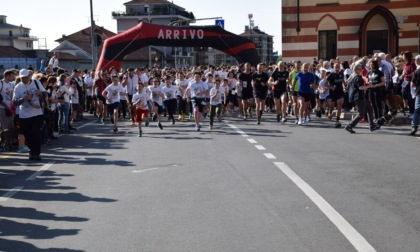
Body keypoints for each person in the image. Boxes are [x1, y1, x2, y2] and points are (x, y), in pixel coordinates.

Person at [12, 69, 46, 160]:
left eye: (26, 77)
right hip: (24, 115)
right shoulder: (18, 87)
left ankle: (36, 153)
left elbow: (45, 94)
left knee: (36, 133)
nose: (24, 79)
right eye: (22, 78)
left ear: (29, 76)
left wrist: (40, 93)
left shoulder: (36, 82)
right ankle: (32, 152)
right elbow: (14, 102)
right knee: (28, 135)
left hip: (37, 113)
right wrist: (23, 99)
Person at [345, 65, 381, 133]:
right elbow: (360, 87)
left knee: (370, 109)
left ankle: (372, 125)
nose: (361, 70)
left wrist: (366, 84)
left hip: (358, 96)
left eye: (361, 69)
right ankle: (350, 126)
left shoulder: (351, 77)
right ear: (355, 70)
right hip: (359, 96)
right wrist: (369, 86)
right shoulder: (358, 77)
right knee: (361, 114)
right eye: (359, 69)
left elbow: (350, 86)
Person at [326, 63, 345, 128]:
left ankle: (337, 121)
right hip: (333, 93)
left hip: (340, 92)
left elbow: (342, 82)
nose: (337, 68)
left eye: (338, 67)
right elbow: (326, 84)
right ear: (333, 67)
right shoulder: (330, 75)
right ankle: (330, 112)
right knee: (332, 107)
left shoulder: (341, 74)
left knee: (340, 105)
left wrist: (344, 86)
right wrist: (331, 87)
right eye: (336, 67)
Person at [409, 63, 420, 136]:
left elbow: (412, 83)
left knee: (417, 110)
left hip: (419, 92)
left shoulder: (417, 71)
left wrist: (414, 91)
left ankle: (414, 127)